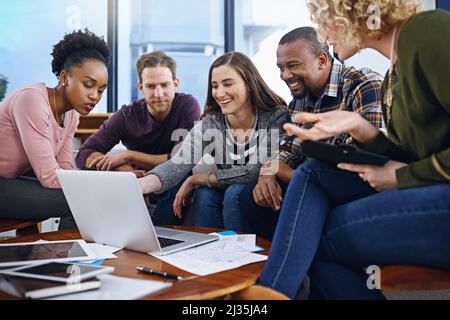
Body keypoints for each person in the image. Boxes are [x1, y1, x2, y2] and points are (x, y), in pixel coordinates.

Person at [256, 0, 450, 300]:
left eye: (324, 20)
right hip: (432, 191)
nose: (323, 32)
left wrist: (404, 177)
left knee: (312, 236)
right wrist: (360, 127)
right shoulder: (392, 77)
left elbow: (408, 168)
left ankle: (270, 295)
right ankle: (271, 294)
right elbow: (408, 156)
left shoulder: (427, 32)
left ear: (351, 12)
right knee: (312, 173)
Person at [239, 27, 383, 240]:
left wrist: (283, 171)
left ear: (322, 60)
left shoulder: (363, 85)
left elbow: (362, 160)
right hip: (311, 180)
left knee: (311, 170)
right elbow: (289, 150)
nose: (285, 75)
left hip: (352, 183)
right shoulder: (299, 99)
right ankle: (264, 264)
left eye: (293, 66)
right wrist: (267, 174)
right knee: (250, 195)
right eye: (281, 68)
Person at [138, 52, 290, 230]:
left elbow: (254, 171)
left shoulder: (275, 116)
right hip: (227, 194)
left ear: (248, 84)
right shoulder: (211, 123)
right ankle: (209, 254)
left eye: (227, 84)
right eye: (215, 86)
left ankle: (244, 255)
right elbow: (177, 164)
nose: (219, 93)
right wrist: (140, 186)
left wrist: (197, 179)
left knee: (234, 193)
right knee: (205, 194)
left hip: (262, 203)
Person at [0, 29, 110, 230]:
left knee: (77, 197)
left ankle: (47, 259)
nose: (95, 96)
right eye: (88, 85)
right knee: (77, 203)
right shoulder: (32, 100)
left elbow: (65, 169)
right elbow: (50, 177)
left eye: (101, 90)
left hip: (8, 180)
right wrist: (101, 185)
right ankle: (59, 262)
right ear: (64, 77)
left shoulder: (71, 115)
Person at [75, 51, 201, 225]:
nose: (158, 93)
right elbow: (84, 154)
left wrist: (130, 155)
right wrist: (126, 172)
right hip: (137, 183)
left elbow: (182, 160)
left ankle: (160, 240)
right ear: (141, 88)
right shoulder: (128, 115)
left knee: (179, 181)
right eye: (150, 86)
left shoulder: (188, 105)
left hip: (175, 184)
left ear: (175, 84)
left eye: (164, 85)